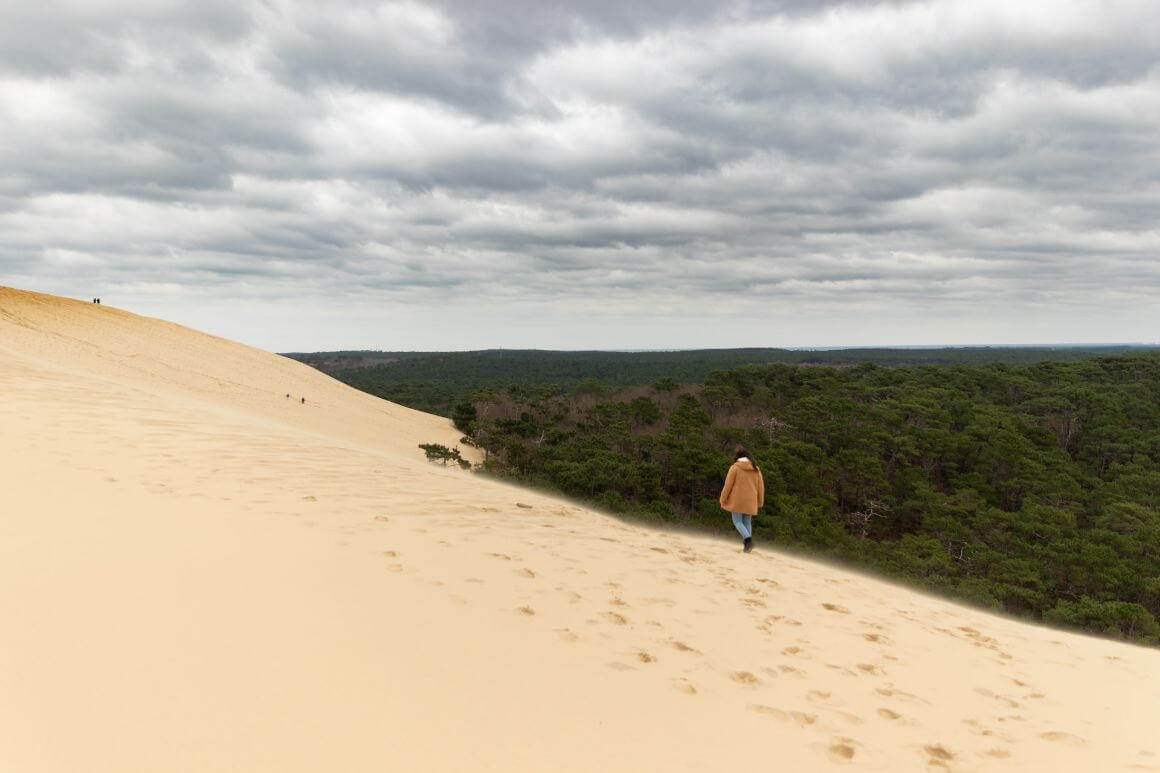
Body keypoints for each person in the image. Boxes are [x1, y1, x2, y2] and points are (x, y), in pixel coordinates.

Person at [719, 445, 765, 553]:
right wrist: (760, 501)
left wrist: (723, 499)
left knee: (737, 521)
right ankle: (747, 545)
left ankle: (748, 541)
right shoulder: (756, 469)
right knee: (747, 522)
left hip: (737, 499)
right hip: (751, 500)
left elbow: (728, 485)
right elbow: (761, 487)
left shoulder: (735, 468)